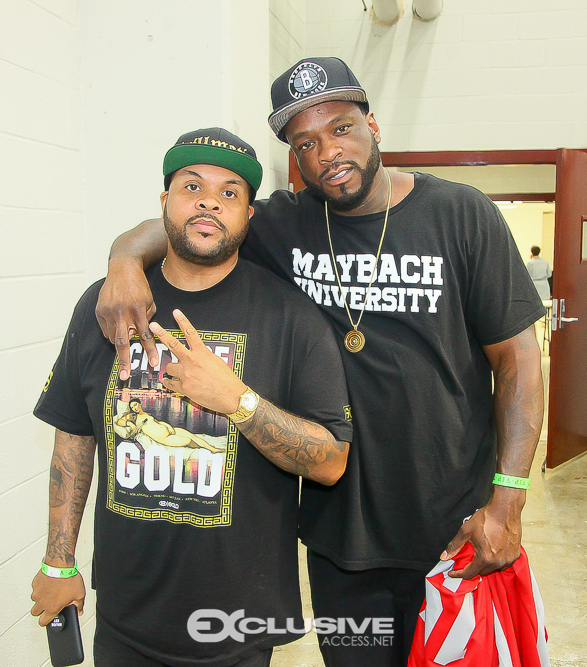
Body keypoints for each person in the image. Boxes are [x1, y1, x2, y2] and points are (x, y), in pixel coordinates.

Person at [95, 58, 546, 667]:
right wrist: (123, 261)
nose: (328, 151)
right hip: (341, 537)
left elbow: (518, 359)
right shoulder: (284, 222)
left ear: (373, 127)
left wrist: (509, 496)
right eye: (305, 142)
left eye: (341, 128)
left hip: (454, 527)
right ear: (295, 159)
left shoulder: (461, 215)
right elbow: (193, 222)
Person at [30, 127, 353, 667]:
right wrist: (58, 561)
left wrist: (237, 401)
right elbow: (74, 435)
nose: (209, 201)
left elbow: (331, 461)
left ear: (248, 215)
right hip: (125, 615)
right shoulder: (110, 305)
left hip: (236, 623)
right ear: (164, 202)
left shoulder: (291, 317)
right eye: (192, 186)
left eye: (230, 192)